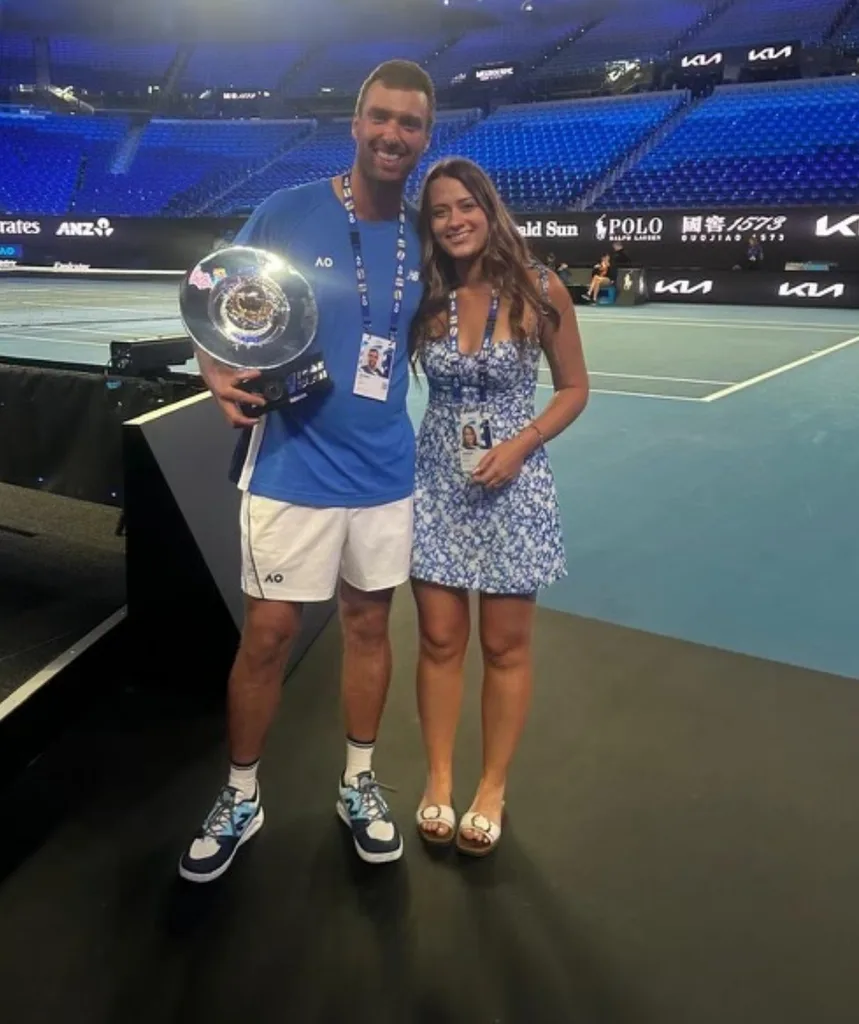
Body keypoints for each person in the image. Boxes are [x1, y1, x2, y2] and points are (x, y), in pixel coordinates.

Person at [178, 60, 435, 882]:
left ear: (426, 137)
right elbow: (219, 302)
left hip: (385, 468)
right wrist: (212, 370)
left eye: (411, 124)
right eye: (381, 118)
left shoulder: (428, 233)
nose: (394, 135)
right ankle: (242, 794)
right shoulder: (286, 210)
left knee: (368, 627)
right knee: (269, 636)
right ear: (356, 122)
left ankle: (359, 783)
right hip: (290, 461)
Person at [408, 157, 589, 855]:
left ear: (488, 209)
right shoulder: (424, 297)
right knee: (438, 641)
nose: (453, 221)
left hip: (515, 486)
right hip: (438, 484)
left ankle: (490, 787)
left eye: (464, 207)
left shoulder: (541, 289)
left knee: (504, 647)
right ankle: (438, 780)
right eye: (439, 212)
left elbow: (574, 388)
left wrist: (521, 443)